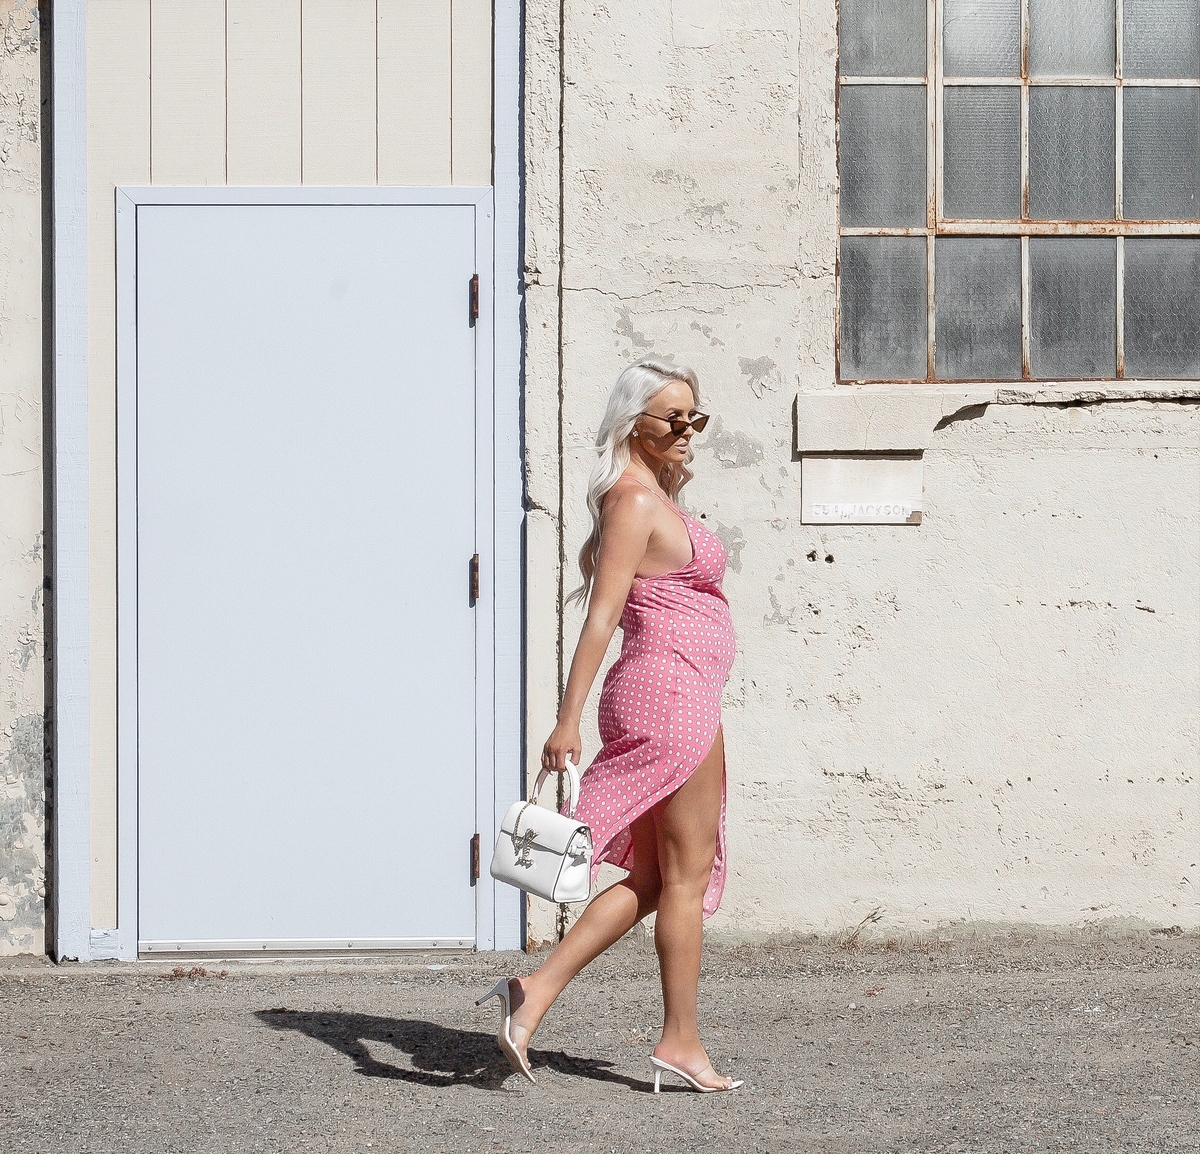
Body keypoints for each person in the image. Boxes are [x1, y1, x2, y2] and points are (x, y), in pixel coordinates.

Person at [477, 357, 742, 1093]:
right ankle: (680, 1043)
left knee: (658, 876)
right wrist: (565, 722)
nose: (688, 429)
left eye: (695, 416)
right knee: (683, 878)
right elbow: (601, 616)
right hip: (671, 693)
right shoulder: (633, 501)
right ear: (635, 424)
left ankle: (534, 993)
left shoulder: (648, 495)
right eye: (673, 418)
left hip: (682, 689)